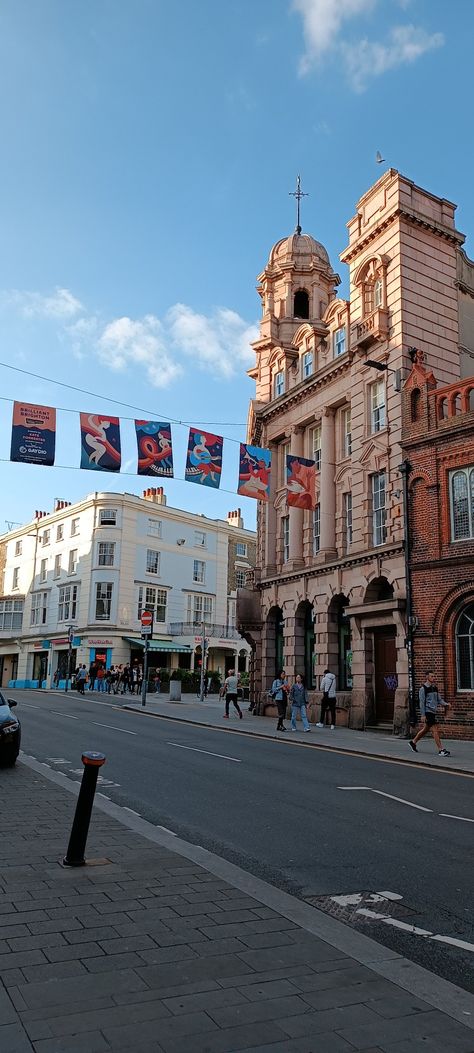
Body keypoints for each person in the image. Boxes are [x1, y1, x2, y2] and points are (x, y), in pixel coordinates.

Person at [409, 671, 451, 757]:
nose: (434, 678)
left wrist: (446, 704)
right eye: (432, 676)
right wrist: (423, 715)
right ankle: (441, 750)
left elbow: (439, 700)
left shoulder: (434, 688)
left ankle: (413, 742)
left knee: (425, 729)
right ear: (427, 677)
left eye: (434, 676)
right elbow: (421, 703)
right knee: (435, 730)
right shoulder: (423, 689)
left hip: (433, 711)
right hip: (428, 712)